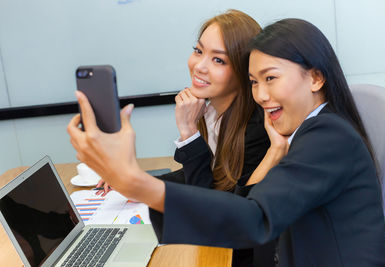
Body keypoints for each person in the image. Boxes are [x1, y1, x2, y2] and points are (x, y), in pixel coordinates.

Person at [68, 18, 385, 266]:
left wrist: (136, 183)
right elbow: (251, 203)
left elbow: (254, 218)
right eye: (254, 82)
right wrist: (276, 151)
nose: (261, 96)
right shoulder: (306, 132)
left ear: (316, 78)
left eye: (271, 78)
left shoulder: (327, 136)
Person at [94, 10, 273, 266]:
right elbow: (212, 175)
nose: (199, 66)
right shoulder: (212, 111)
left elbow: (208, 213)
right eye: (199, 51)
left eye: (219, 60)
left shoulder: (255, 128)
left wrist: (189, 134)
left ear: (245, 71)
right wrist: (137, 184)